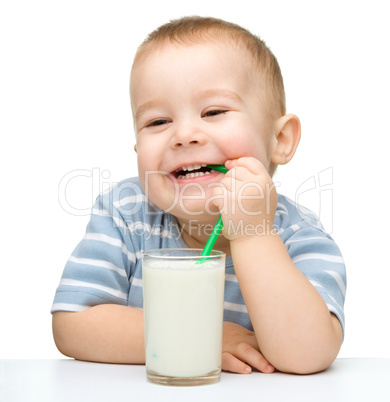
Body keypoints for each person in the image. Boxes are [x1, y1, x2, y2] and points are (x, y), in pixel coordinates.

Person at [52, 16, 346, 375]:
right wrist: (203, 336)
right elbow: (72, 324)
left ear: (279, 140)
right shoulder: (125, 213)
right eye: (157, 122)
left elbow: (308, 355)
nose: (184, 134)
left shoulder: (297, 234)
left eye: (214, 111)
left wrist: (254, 234)